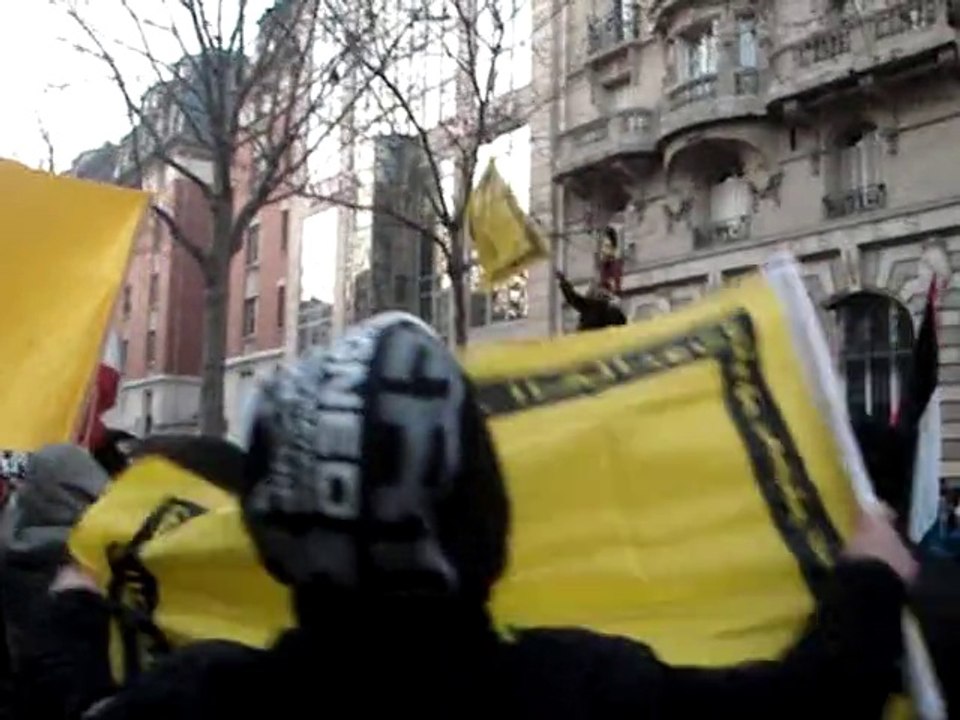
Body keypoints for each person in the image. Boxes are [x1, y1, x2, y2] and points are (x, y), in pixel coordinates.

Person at [41, 314, 914, 719]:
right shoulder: (573, 696)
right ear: (481, 520)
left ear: (274, 539)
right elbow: (810, 707)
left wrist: (75, 607)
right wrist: (870, 571)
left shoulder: (205, 709)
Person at [556, 271, 627, 331]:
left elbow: (572, 297)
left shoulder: (610, 309)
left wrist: (563, 281)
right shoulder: (588, 305)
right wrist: (563, 281)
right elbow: (572, 296)